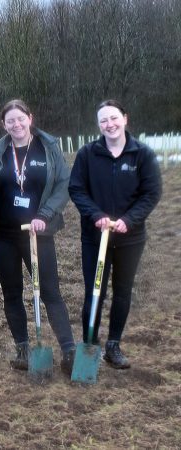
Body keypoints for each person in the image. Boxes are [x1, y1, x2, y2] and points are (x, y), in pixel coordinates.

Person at [0, 99, 76, 375]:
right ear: (3, 125)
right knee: (12, 292)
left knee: (50, 291)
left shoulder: (48, 148)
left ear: (30, 117)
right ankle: (23, 350)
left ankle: (69, 350)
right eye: (10, 121)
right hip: (1, 236)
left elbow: (64, 185)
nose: (16, 125)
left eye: (20, 119)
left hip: (38, 233)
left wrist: (45, 215)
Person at [69, 99, 162, 369]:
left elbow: (151, 193)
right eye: (103, 121)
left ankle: (113, 345)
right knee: (94, 291)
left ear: (125, 118)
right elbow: (77, 189)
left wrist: (128, 220)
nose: (109, 124)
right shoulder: (88, 154)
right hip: (95, 237)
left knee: (122, 292)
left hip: (130, 238)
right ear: (99, 125)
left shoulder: (141, 154)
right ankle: (90, 344)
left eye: (113, 118)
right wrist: (96, 215)